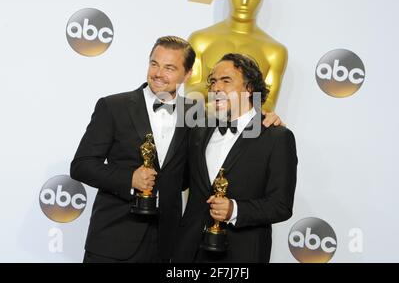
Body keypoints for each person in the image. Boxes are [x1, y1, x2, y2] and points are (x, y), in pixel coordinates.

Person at [70, 36, 281, 263]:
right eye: (154, 64)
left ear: (188, 74)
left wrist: (264, 117)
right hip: (113, 239)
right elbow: (81, 166)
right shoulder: (113, 106)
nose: (159, 73)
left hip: (167, 244)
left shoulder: (197, 116)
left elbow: (235, 128)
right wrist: (128, 179)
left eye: (169, 67)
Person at [173, 53, 297, 262]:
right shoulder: (199, 130)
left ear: (249, 88)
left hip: (240, 254)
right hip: (190, 253)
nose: (216, 88)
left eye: (226, 80)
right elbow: (179, 179)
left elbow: (281, 205)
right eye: (213, 82)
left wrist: (234, 210)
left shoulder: (276, 136)